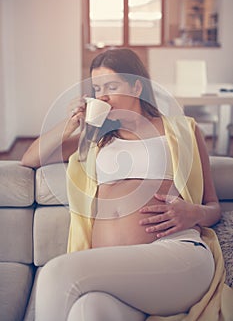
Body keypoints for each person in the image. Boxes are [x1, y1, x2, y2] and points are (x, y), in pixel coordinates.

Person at [21, 48, 231, 321]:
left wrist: (194, 213)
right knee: (88, 311)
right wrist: (74, 121)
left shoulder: (182, 130)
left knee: (55, 273)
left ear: (136, 86)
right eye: (96, 89)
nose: (102, 96)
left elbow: (213, 205)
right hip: (115, 269)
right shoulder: (96, 140)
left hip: (175, 254)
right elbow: (30, 159)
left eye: (111, 85)